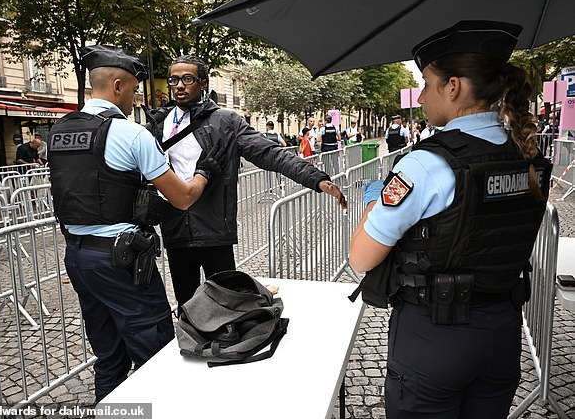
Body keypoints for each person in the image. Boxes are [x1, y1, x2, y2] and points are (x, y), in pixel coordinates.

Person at [348, 21, 551, 419]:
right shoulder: (527, 155)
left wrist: (375, 200)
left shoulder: (426, 164)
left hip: (434, 339)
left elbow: (361, 259)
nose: (421, 96)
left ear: (453, 87)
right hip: (501, 333)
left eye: (426, 83)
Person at [47, 45, 224, 402]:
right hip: (120, 262)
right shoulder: (131, 134)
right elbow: (183, 197)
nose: (136, 98)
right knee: (155, 353)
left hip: (79, 257)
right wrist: (205, 172)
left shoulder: (59, 132)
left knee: (108, 356)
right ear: (117, 86)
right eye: (133, 89)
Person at [145, 54, 346, 309]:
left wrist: (316, 179)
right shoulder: (158, 123)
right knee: (188, 304)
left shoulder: (226, 122)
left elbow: (269, 153)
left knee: (229, 303)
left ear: (203, 83)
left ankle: (230, 346)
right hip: (175, 228)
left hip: (215, 228)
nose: (179, 86)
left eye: (188, 79)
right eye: (174, 80)